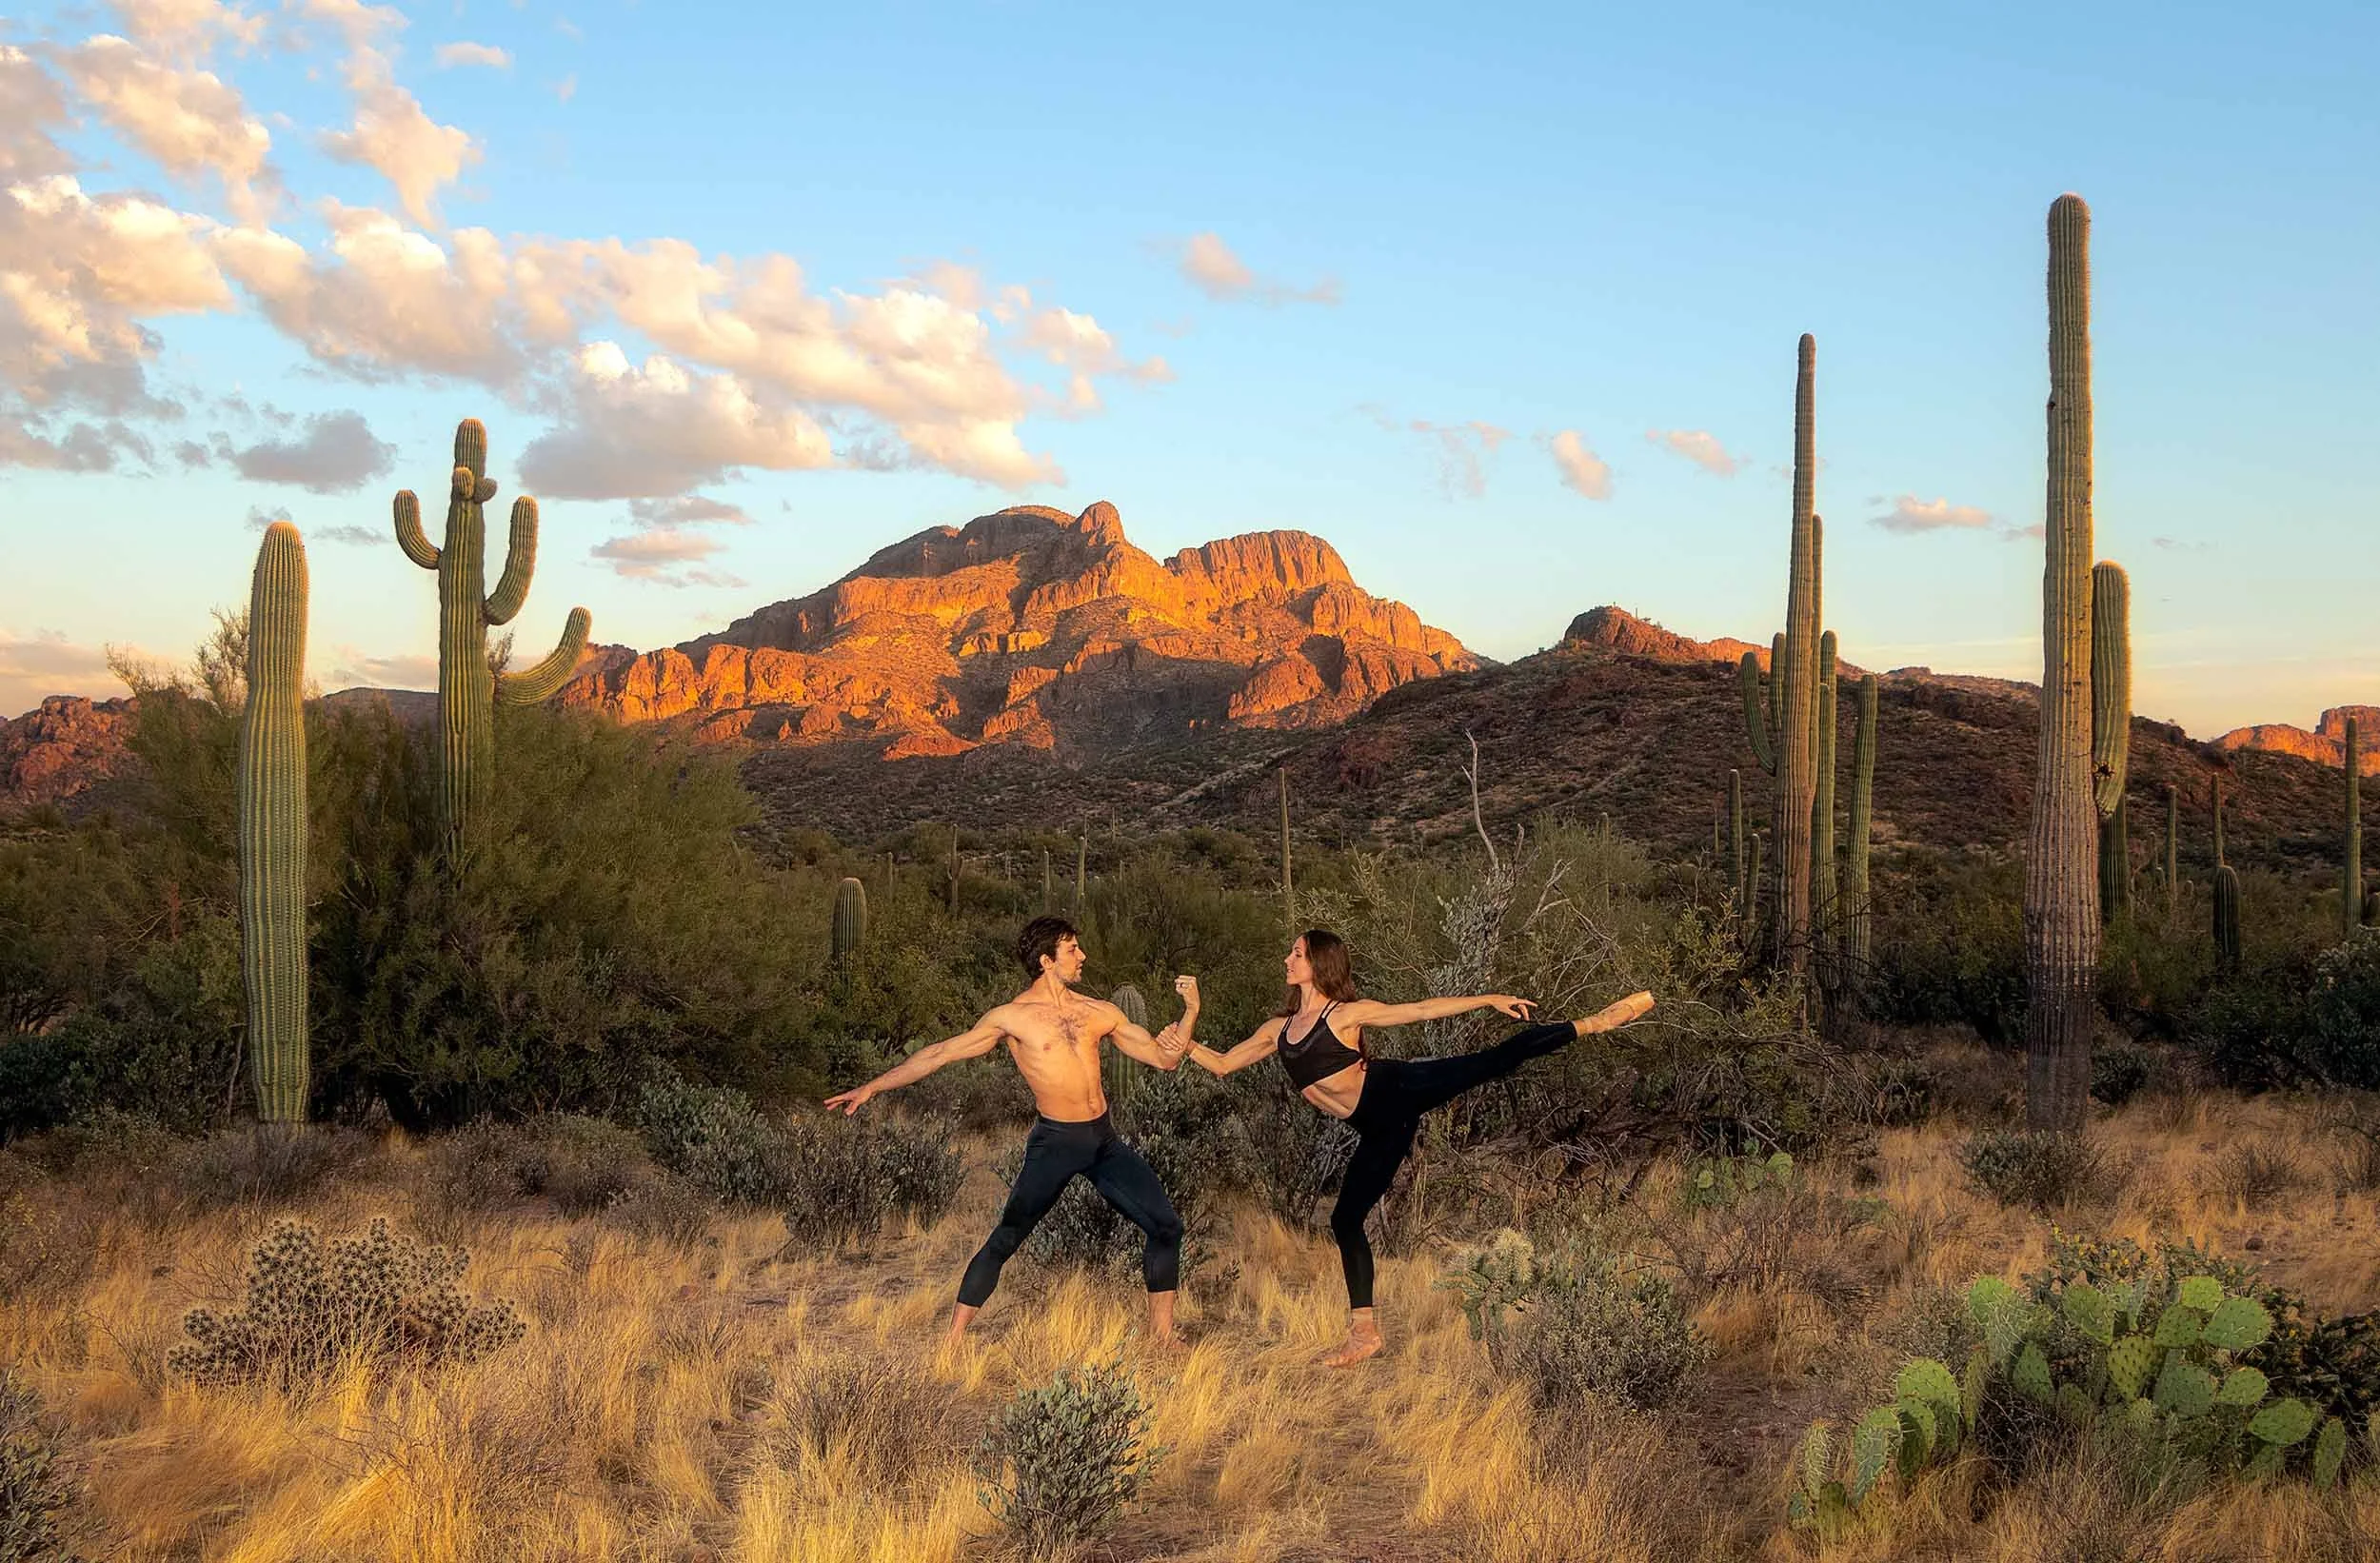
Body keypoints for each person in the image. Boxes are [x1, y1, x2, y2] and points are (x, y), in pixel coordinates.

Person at [1178, 929, 1655, 1367]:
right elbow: (1221, 1064)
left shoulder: (1344, 1014)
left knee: (1490, 1061)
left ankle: (1594, 1023)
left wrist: (1488, 998)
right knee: (1345, 1219)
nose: (1287, 959)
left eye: (1296, 954)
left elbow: (1422, 1008)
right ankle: (1364, 1333)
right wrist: (1187, 1024)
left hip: (1398, 1089)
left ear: (1319, 964)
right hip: (1379, 1128)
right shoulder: (1277, 1029)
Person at [824, 916, 1200, 1349]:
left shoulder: (1100, 1012)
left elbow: (1164, 1059)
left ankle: (1163, 1336)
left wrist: (1190, 1012)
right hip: (1055, 1144)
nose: (1083, 956)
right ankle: (954, 1339)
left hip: (1103, 1142)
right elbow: (940, 1053)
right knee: (1007, 1236)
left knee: (1166, 1226)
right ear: (1046, 960)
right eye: (1073, 949)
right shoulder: (1012, 1018)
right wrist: (873, 1086)